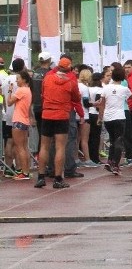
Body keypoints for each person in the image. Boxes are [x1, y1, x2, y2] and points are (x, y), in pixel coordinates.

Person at [35, 57, 81, 189]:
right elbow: (76, 98)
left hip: (47, 113)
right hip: (61, 115)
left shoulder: (48, 78)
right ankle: (58, 178)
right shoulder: (70, 82)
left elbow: (43, 94)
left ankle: (41, 177)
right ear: (69, 69)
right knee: (60, 147)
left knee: (44, 146)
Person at [98, 65, 132, 175]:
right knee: (118, 141)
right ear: (123, 77)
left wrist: (100, 117)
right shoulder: (124, 89)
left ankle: (110, 161)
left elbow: (102, 104)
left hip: (108, 118)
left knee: (113, 140)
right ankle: (116, 165)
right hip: (119, 117)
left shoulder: (106, 88)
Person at [7, 68, 32, 179]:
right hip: (24, 120)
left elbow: (9, 103)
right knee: (24, 147)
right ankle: (26, 170)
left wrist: (10, 90)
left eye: (18, 79)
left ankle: (24, 172)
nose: (16, 81)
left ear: (24, 79)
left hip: (18, 120)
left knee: (19, 147)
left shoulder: (21, 90)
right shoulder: (28, 90)